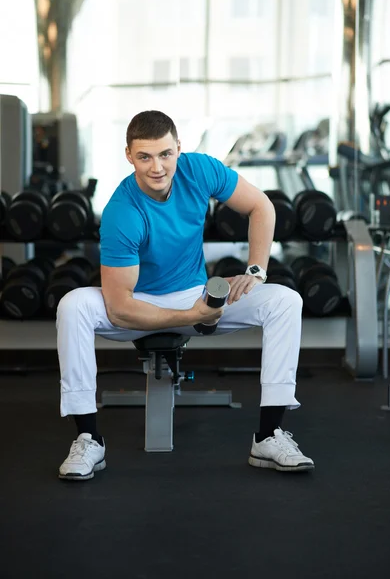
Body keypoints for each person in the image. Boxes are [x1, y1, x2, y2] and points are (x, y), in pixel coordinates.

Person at [57, 110, 314, 481]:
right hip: (135, 303)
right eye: (145, 156)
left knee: (285, 300)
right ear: (129, 155)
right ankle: (88, 437)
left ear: (179, 148)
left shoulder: (201, 170)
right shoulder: (121, 212)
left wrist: (255, 271)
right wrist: (192, 316)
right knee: (73, 306)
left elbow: (262, 206)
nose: (157, 167)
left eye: (165, 154)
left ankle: (269, 435)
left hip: (194, 294)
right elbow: (119, 309)